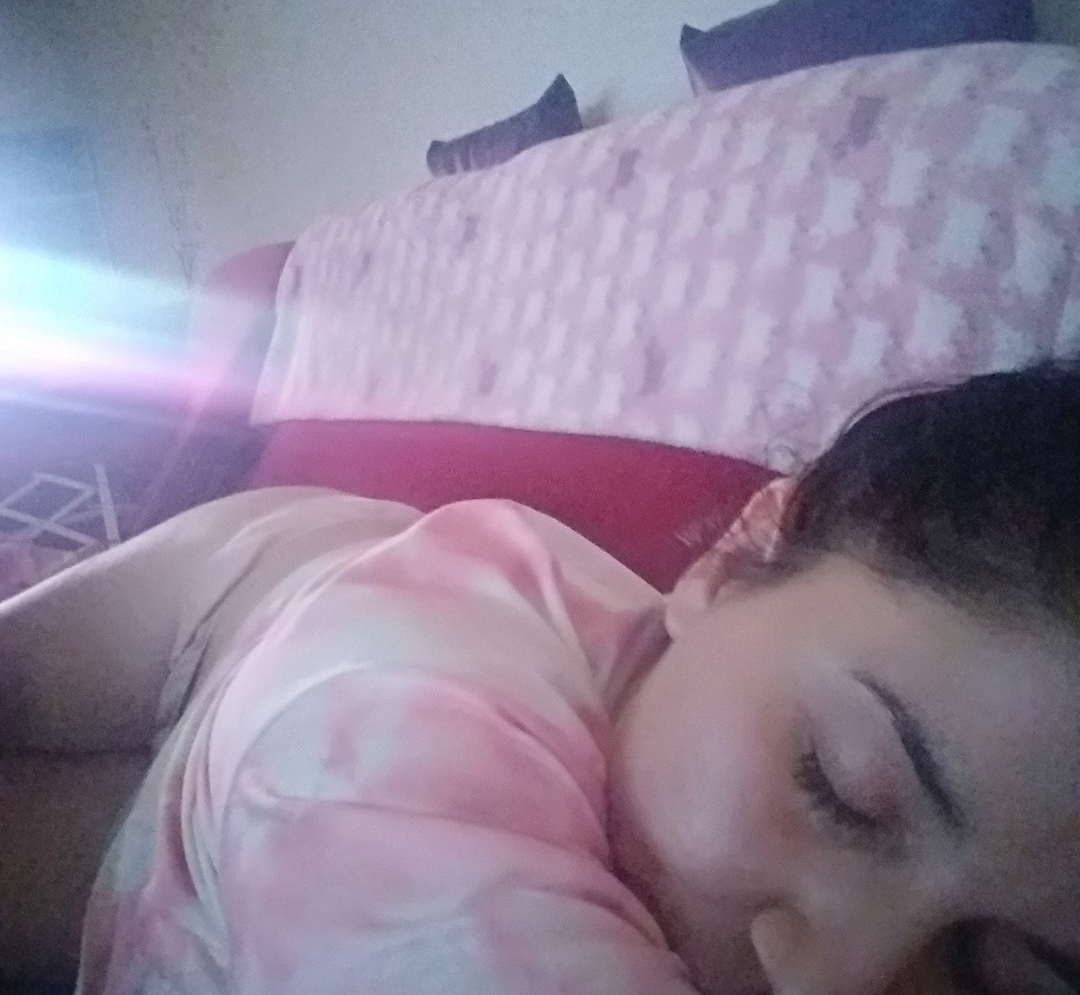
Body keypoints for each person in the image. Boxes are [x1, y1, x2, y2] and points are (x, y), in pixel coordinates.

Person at [1, 359, 1078, 995]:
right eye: (839, 789)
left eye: (1000, 971)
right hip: (261, 586)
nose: (829, 979)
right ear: (744, 549)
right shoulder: (404, 722)